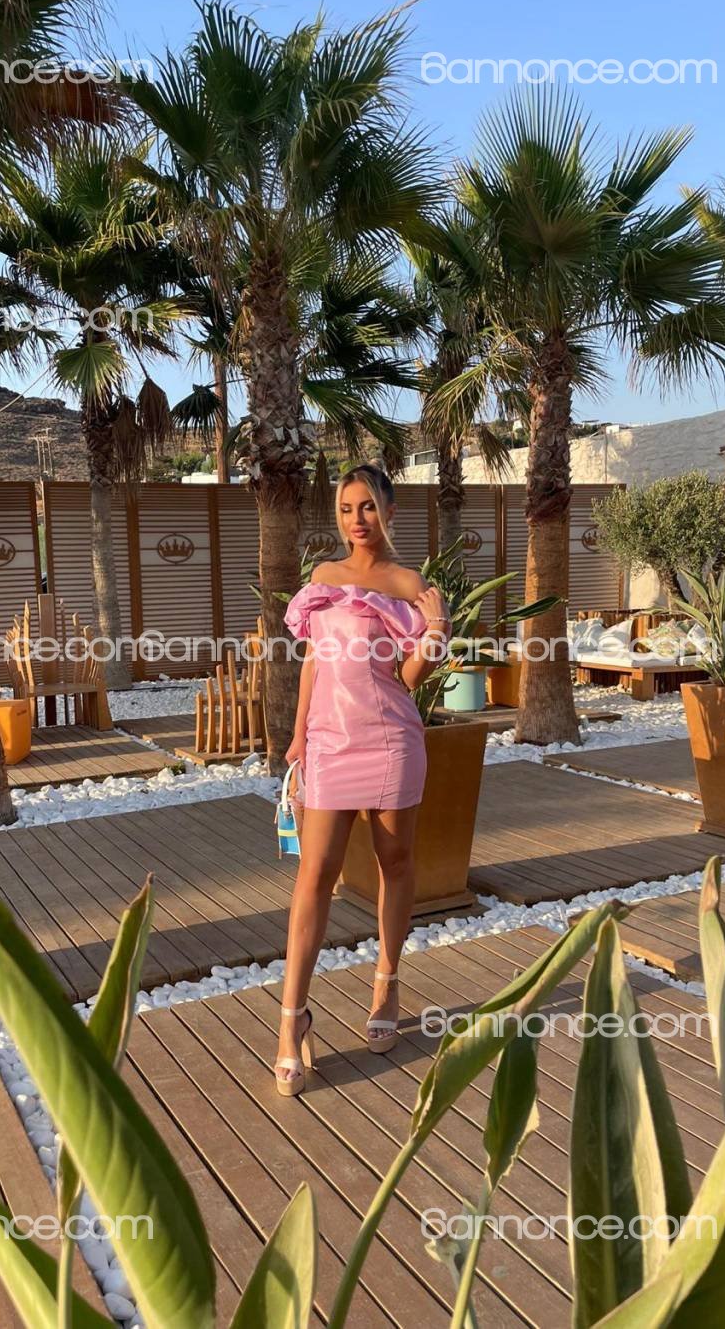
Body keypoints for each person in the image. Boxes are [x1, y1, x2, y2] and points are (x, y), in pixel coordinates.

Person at [272, 463, 450, 1096]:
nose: (357, 520)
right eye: (347, 509)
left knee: (395, 863)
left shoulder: (408, 584)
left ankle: (387, 983)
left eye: (368, 507)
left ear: (389, 512)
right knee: (313, 875)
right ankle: (292, 1019)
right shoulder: (323, 578)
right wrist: (299, 735)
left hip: (391, 740)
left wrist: (437, 630)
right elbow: (314, 664)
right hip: (328, 744)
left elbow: (409, 677)